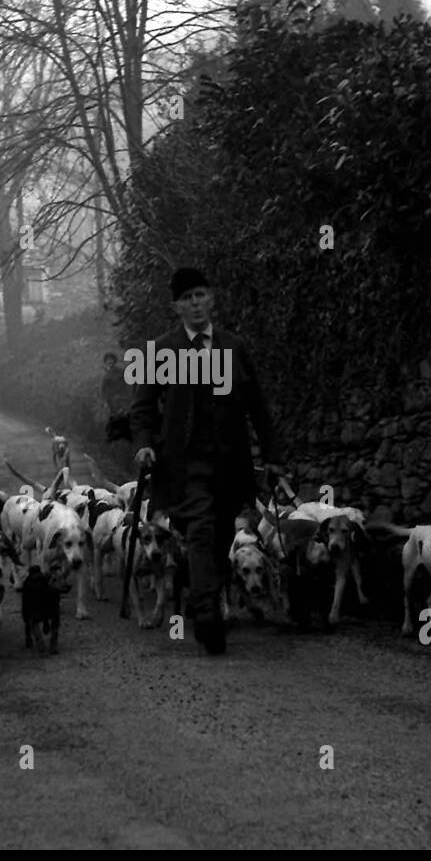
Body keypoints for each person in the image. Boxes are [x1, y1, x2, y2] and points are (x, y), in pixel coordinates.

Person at [130, 267, 286, 655]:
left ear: (211, 298)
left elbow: (259, 409)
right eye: (187, 298)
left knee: (219, 539)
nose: (195, 304)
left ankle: (207, 600)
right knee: (200, 532)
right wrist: (144, 444)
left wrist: (273, 458)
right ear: (176, 306)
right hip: (185, 466)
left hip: (230, 465)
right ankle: (206, 618)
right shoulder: (162, 350)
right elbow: (143, 408)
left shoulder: (234, 348)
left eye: (200, 295)